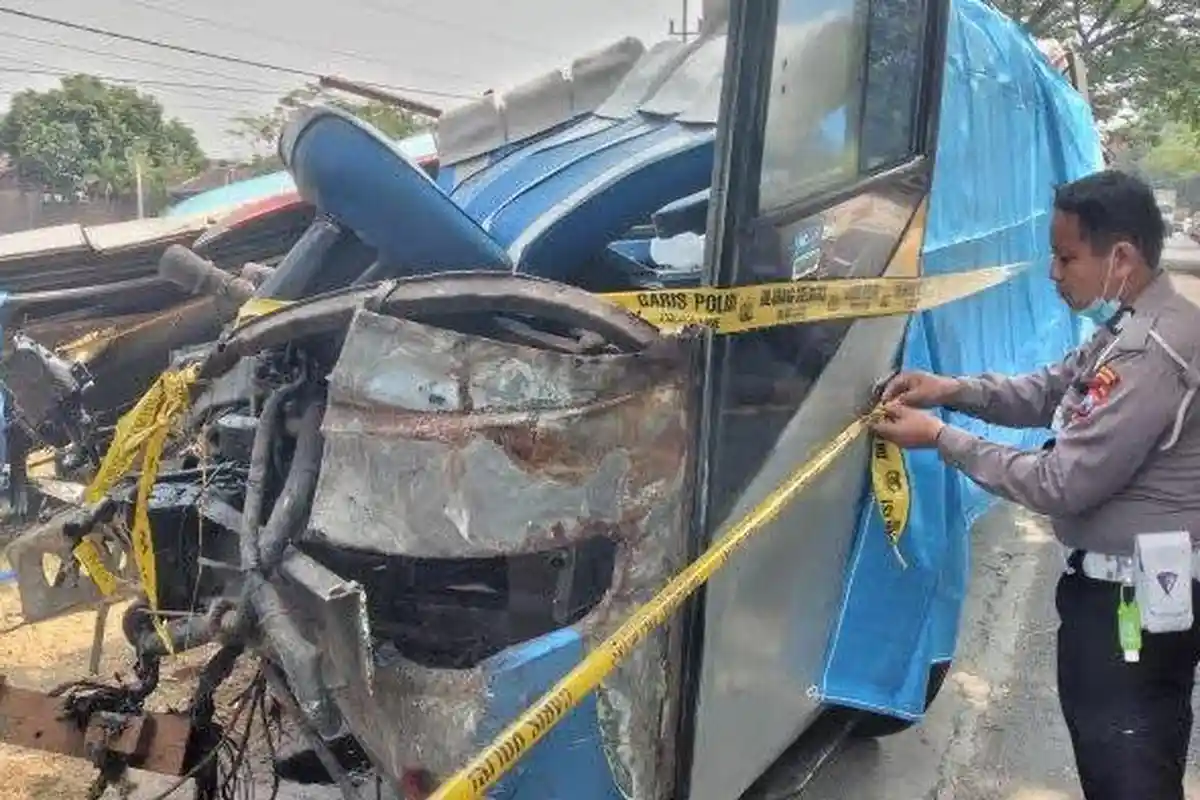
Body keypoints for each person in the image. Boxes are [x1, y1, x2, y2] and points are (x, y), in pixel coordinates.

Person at [870, 169, 1200, 800]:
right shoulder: (1127, 329)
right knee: (1135, 755)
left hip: (1131, 600)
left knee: (1128, 762)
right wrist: (955, 391)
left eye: (1066, 256)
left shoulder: (1154, 351)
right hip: (1125, 588)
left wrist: (941, 437)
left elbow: (1060, 482)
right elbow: (1052, 389)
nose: (1054, 273)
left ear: (1121, 256)